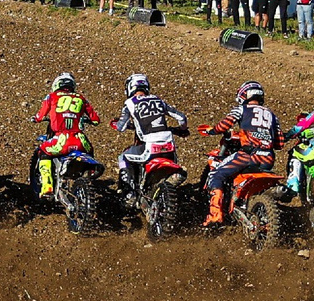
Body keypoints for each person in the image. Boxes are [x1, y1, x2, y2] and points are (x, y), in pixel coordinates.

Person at [202, 82, 278, 225]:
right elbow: (279, 142)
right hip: (268, 157)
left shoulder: (241, 109)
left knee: (216, 174)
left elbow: (224, 125)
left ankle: (215, 214)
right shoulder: (271, 115)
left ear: (244, 95)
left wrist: (212, 130)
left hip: (247, 156)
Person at [112, 72, 188, 200]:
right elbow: (181, 118)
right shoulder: (158, 100)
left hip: (149, 146)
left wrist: (116, 124)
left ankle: (129, 193)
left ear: (130, 87)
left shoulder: (130, 103)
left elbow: (121, 127)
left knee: (123, 158)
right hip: (169, 147)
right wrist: (182, 130)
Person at [29, 72, 100, 191]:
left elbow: (40, 116)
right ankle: (89, 176)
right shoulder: (81, 98)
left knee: (43, 151)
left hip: (62, 139)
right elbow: (96, 120)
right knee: (90, 152)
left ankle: (47, 185)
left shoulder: (52, 96)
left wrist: (35, 119)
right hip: (80, 140)